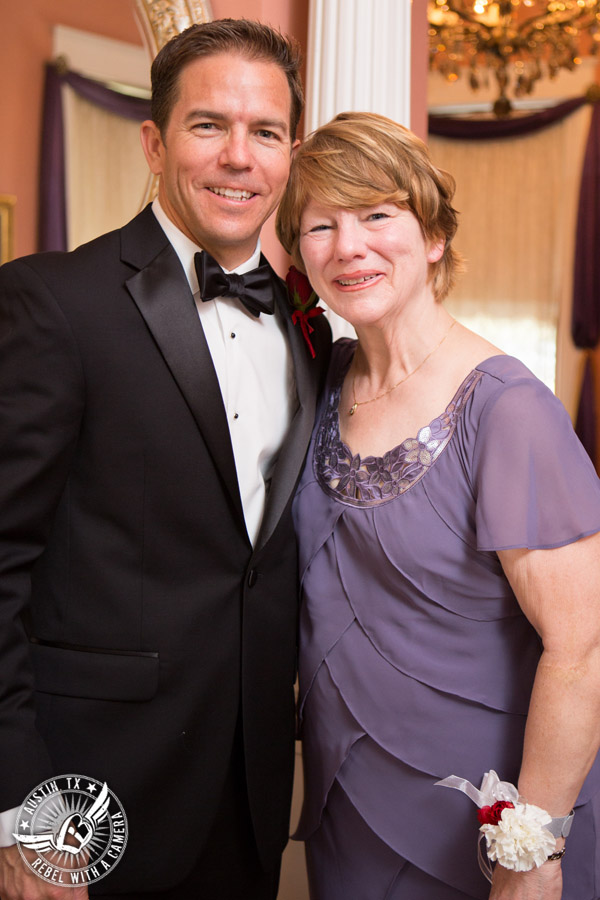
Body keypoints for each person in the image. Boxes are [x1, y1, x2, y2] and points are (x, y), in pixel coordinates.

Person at [0, 19, 330, 900]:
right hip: (88, 793)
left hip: (252, 792)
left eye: (264, 133)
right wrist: (24, 814)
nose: (238, 157)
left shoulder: (309, 330)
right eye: (207, 125)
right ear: (154, 141)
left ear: (289, 154)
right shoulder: (52, 303)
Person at [275, 110, 600, 900]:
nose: (348, 246)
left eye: (378, 215)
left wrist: (532, 847)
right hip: (346, 799)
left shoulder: (505, 406)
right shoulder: (323, 379)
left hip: (492, 815)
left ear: (432, 238)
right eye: (321, 225)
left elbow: (582, 646)